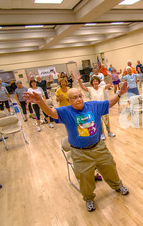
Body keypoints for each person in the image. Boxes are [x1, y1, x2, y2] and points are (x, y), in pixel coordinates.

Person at [23, 83, 130, 212]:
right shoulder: (66, 111)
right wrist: (40, 102)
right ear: (69, 100)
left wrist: (119, 94)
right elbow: (51, 112)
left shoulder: (93, 106)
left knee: (110, 167)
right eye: (75, 97)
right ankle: (89, 198)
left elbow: (109, 103)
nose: (79, 99)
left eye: (80, 96)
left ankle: (118, 186)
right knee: (84, 177)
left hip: (99, 147)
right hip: (80, 153)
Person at [75, 74, 116, 139]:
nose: (96, 82)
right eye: (94, 81)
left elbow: (110, 84)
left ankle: (109, 132)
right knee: (99, 122)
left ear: (98, 82)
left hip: (103, 106)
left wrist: (110, 76)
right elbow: (83, 87)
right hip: (94, 108)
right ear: (92, 82)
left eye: (96, 81)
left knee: (107, 120)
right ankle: (102, 134)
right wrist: (79, 80)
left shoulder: (102, 88)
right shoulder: (90, 89)